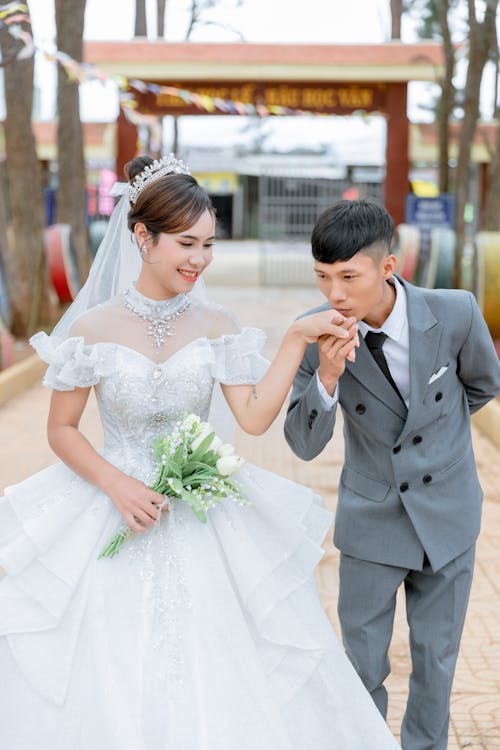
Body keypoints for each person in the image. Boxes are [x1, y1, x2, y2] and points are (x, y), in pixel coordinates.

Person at [0, 157, 401, 750]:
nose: (199, 259)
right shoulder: (92, 326)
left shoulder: (218, 323)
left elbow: (256, 416)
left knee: (221, 657)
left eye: (209, 245)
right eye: (186, 243)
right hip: (115, 506)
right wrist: (116, 484)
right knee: (104, 661)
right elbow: (62, 430)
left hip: (203, 509)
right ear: (142, 237)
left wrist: (296, 339)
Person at [284, 199, 500, 750]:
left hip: (448, 518)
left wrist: (435, 449)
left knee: (436, 662)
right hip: (371, 521)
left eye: (348, 276)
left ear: (388, 267)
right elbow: (303, 444)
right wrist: (327, 378)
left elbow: (481, 385)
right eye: (323, 277)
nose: (334, 293)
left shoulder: (453, 312)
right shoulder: (316, 333)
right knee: (362, 666)